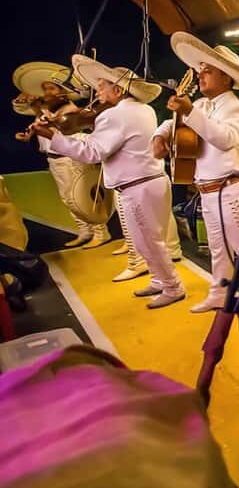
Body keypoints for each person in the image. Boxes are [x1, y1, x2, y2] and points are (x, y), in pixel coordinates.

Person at [33, 56, 186, 309]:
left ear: (118, 90)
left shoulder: (114, 116)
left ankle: (173, 287)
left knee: (148, 242)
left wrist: (52, 135)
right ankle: (160, 280)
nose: (98, 91)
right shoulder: (144, 109)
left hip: (137, 187)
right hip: (151, 182)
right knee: (145, 241)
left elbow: (92, 152)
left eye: (103, 85)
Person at [151, 34, 239, 329]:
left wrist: (188, 112)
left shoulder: (237, 109)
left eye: (207, 70)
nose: (200, 74)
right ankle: (219, 293)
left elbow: (224, 139)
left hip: (231, 189)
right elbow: (174, 124)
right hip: (208, 191)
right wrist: (160, 132)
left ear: (226, 77)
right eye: (201, 69)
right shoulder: (202, 107)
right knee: (219, 251)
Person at [12, 62, 110, 248]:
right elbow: (39, 123)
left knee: (83, 197)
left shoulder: (70, 110)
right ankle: (84, 231)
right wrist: (28, 130)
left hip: (71, 159)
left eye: (51, 88)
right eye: (45, 89)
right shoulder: (48, 110)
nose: (47, 92)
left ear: (62, 91)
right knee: (68, 199)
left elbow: (58, 126)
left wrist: (38, 108)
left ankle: (101, 232)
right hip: (54, 159)